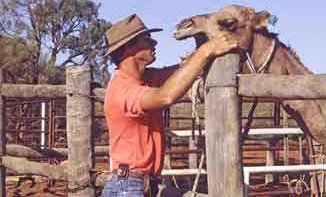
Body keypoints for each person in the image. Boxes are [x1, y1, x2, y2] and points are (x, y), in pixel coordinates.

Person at [101, 14, 238, 197]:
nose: (154, 44)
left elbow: (180, 74)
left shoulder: (144, 78)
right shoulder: (123, 91)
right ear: (129, 48)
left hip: (135, 184)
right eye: (147, 39)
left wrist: (201, 51)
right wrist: (206, 51)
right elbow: (165, 96)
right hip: (130, 186)